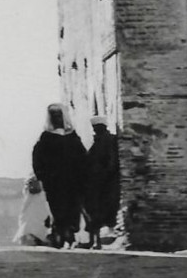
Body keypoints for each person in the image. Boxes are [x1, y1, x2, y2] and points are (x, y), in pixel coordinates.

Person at [31, 104, 88, 249]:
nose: (57, 118)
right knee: (57, 208)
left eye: (59, 115)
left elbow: (82, 157)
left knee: (73, 207)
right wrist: (42, 176)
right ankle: (60, 235)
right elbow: (37, 159)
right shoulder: (46, 138)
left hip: (73, 181)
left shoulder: (72, 137)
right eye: (54, 116)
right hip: (54, 182)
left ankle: (69, 233)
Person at [84, 115, 120, 249]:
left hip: (105, 183)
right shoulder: (98, 142)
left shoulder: (108, 141)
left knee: (101, 211)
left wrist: (103, 175)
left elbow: (111, 162)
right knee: (95, 212)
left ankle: (100, 240)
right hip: (97, 183)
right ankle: (96, 240)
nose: (96, 130)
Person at [13, 175, 51, 246]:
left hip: (33, 216)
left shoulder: (29, 196)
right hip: (37, 215)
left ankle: (34, 238)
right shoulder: (40, 196)